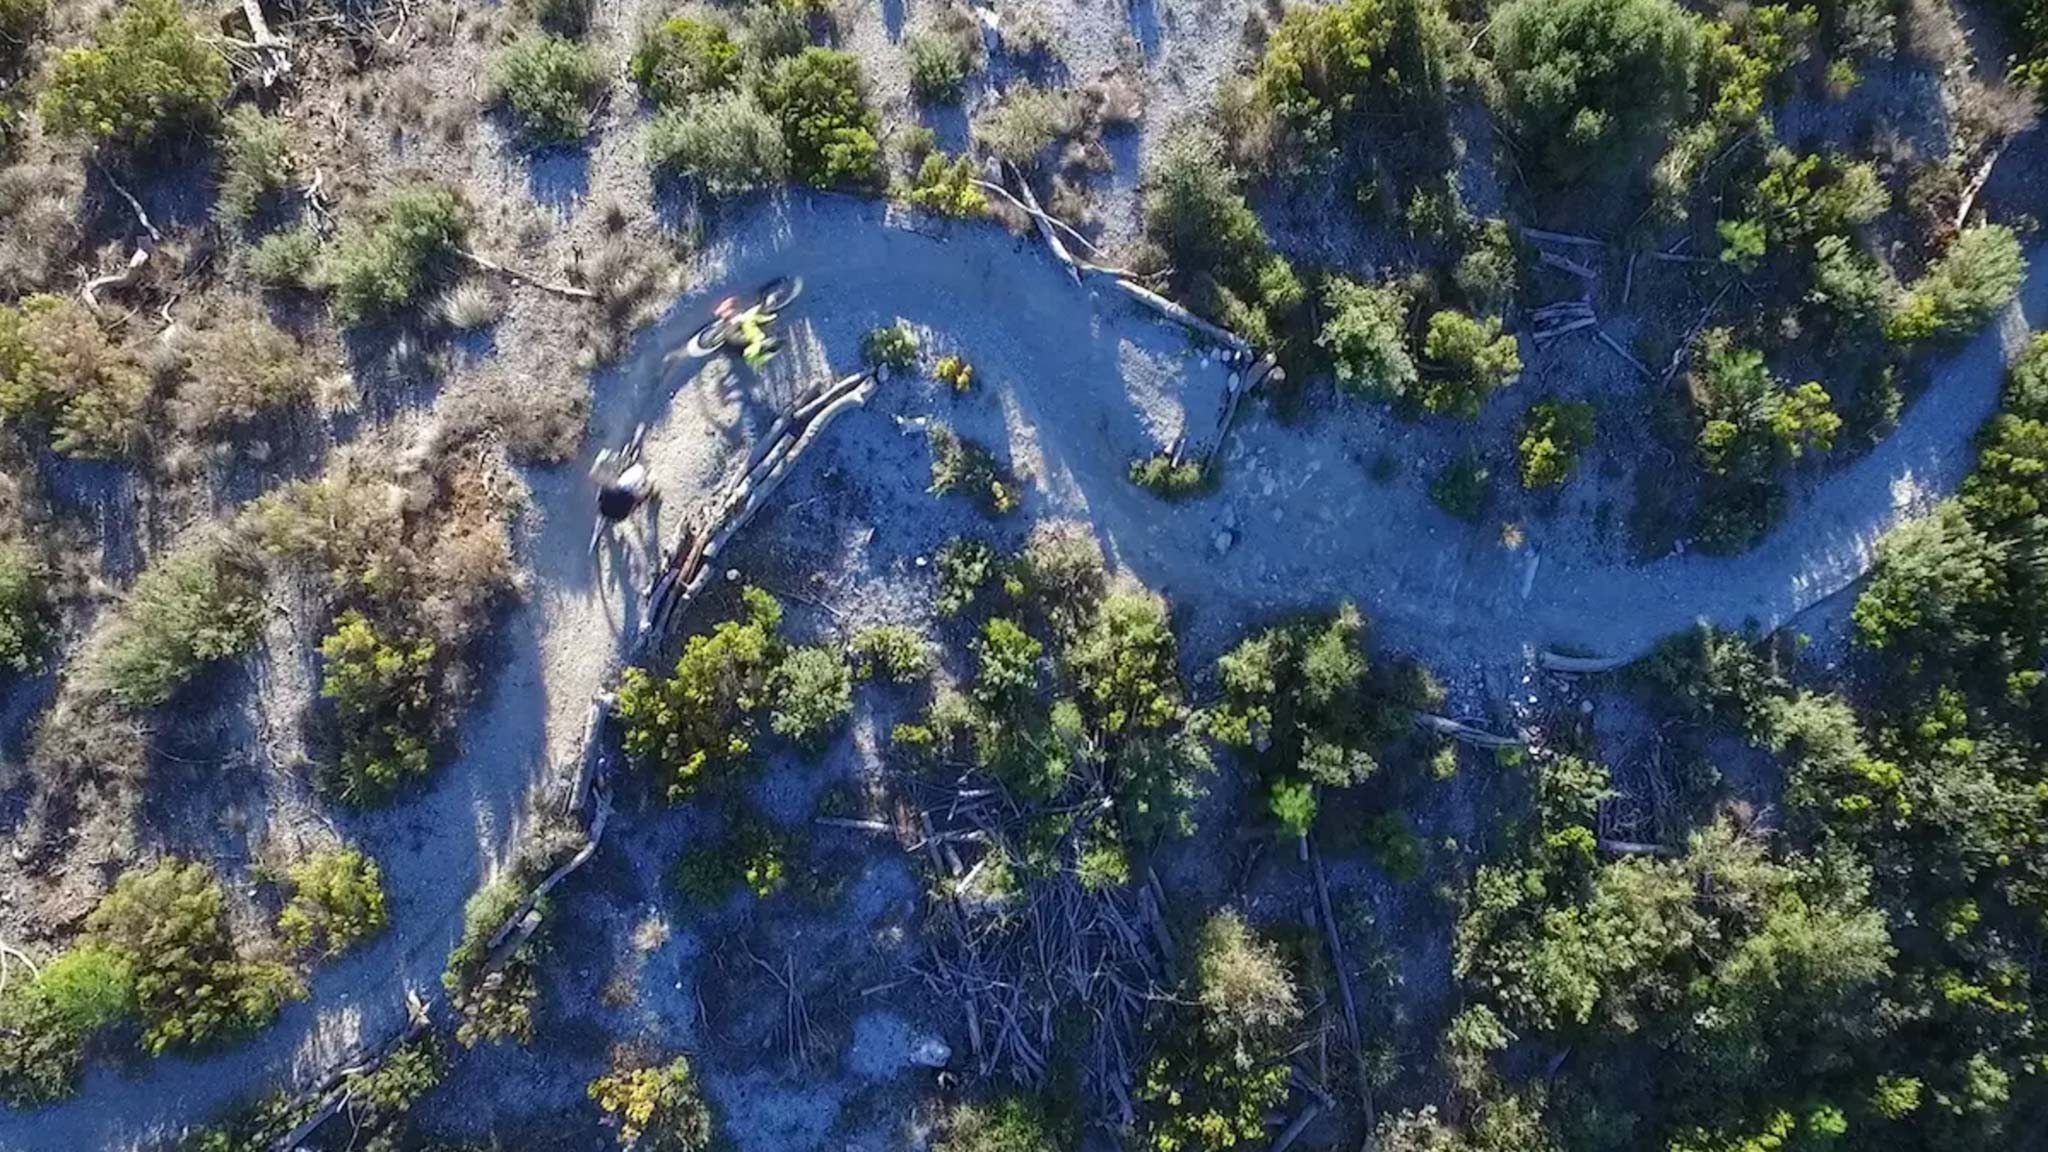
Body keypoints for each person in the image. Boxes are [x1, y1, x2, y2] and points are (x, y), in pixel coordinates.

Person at [715, 295, 781, 369]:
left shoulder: (758, 338)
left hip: (736, 337)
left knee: (745, 318)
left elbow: (750, 320)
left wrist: (770, 317)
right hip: (739, 347)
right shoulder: (758, 357)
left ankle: (727, 312)